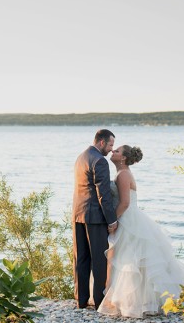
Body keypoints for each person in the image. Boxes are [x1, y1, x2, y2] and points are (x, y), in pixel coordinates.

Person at [98, 145, 184, 318]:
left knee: (128, 261)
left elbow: (125, 202)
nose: (113, 152)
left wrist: (113, 221)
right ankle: (135, 302)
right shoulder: (122, 173)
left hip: (128, 218)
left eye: (116, 151)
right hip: (130, 217)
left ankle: (132, 303)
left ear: (124, 158)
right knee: (130, 261)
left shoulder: (123, 174)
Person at [72, 129, 118, 310]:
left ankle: (81, 300)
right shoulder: (100, 161)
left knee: (81, 258)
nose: (111, 149)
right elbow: (103, 195)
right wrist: (112, 220)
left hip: (77, 214)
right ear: (101, 142)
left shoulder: (81, 157)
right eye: (110, 145)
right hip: (95, 217)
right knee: (99, 260)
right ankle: (99, 302)